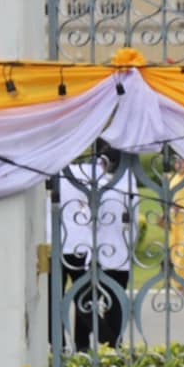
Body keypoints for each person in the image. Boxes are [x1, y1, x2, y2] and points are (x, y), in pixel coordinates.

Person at [53, 141, 138, 352]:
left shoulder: (124, 180)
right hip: (99, 254)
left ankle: (110, 346)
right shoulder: (100, 178)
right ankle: (89, 346)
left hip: (114, 253)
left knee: (112, 302)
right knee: (86, 301)